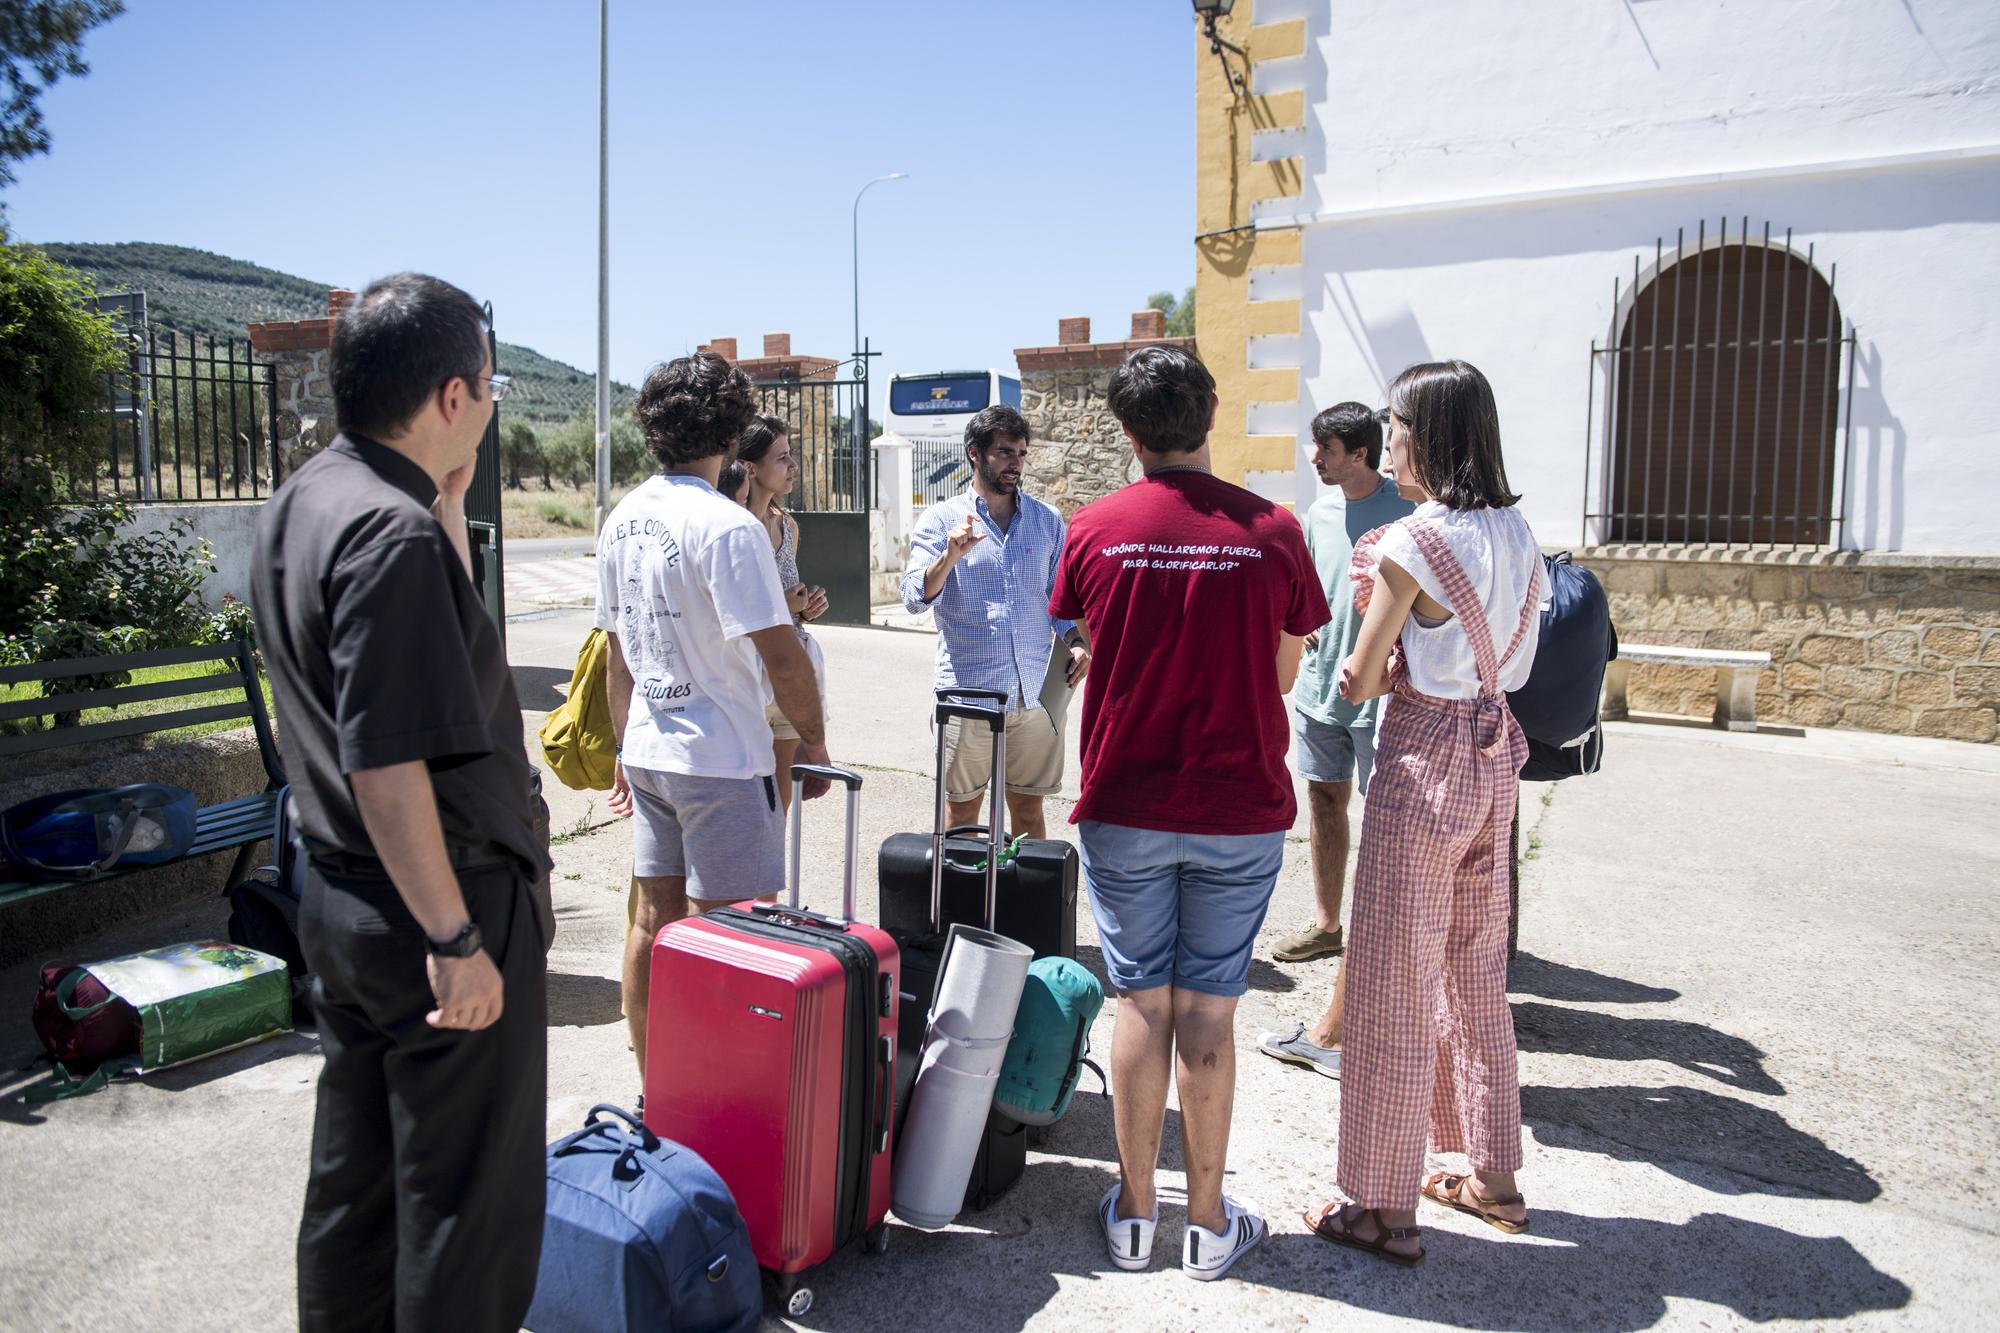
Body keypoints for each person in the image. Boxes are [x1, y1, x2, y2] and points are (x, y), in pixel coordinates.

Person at [251, 273, 550, 1331]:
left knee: (359, 1183)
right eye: (489, 381)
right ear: (452, 395)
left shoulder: (311, 499)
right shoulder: (391, 536)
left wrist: (449, 505)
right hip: (433, 901)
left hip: (341, 901)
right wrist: (455, 934)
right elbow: (388, 763)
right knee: (464, 1205)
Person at [1049, 346, 1330, 1281]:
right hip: (1237, 804)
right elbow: (1287, 673)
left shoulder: (1092, 529)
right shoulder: (1276, 530)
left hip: (1124, 798)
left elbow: (1093, 646)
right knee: (1210, 1006)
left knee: (1141, 998)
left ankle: (1133, 1219)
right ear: (1211, 409)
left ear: (1127, 430)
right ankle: (1207, 1224)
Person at [1303, 359, 1544, 1267]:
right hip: (1497, 755)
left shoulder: (1414, 542)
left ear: (1425, 434)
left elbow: (1359, 677)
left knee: (1392, 984)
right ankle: (1495, 1175)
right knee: (1478, 972)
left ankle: (1382, 1206)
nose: (1388, 436)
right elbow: (1514, 657)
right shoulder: (1517, 530)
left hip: (1425, 753)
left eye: (1396, 424)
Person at [597, 351, 833, 1078]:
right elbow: (784, 657)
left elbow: (618, 657)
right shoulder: (726, 527)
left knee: (651, 922)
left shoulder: (623, 517)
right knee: (726, 931)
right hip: (721, 758)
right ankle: (714, 1097)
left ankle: (656, 1085)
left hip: (650, 745)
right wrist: (815, 740)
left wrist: (621, 746)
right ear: (731, 432)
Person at [1259, 403, 1414, 1081]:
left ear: (1360, 452)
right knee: (1324, 801)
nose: (1314, 459)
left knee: (1384, 818)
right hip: (1323, 685)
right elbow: (1305, 591)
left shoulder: (1406, 510)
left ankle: (1376, 942)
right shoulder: (1311, 517)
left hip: (1383, 690)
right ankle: (1328, 923)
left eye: (1324, 448)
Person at [900, 403, 1085, 840]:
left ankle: (1025, 908)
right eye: (1004, 452)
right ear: (974, 454)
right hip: (968, 696)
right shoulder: (941, 520)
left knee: (1028, 811)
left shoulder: (1047, 521)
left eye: (1020, 452)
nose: (1015, 463)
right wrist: (950, 557)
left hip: (1036, 696)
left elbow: (1059, 600)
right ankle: (959, 907)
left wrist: (1077, 640)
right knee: (962, 817)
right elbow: (913, 598)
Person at [733, 415, 830, 811]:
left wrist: (805, 609)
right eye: (783, 457)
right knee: (746, 803)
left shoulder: (788, 526)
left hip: (789, 675)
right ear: (752, 468)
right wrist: (784, 605)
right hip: (744, 675)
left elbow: (787, 599)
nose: (793, 466)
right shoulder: (730, 528)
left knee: (781, 805)